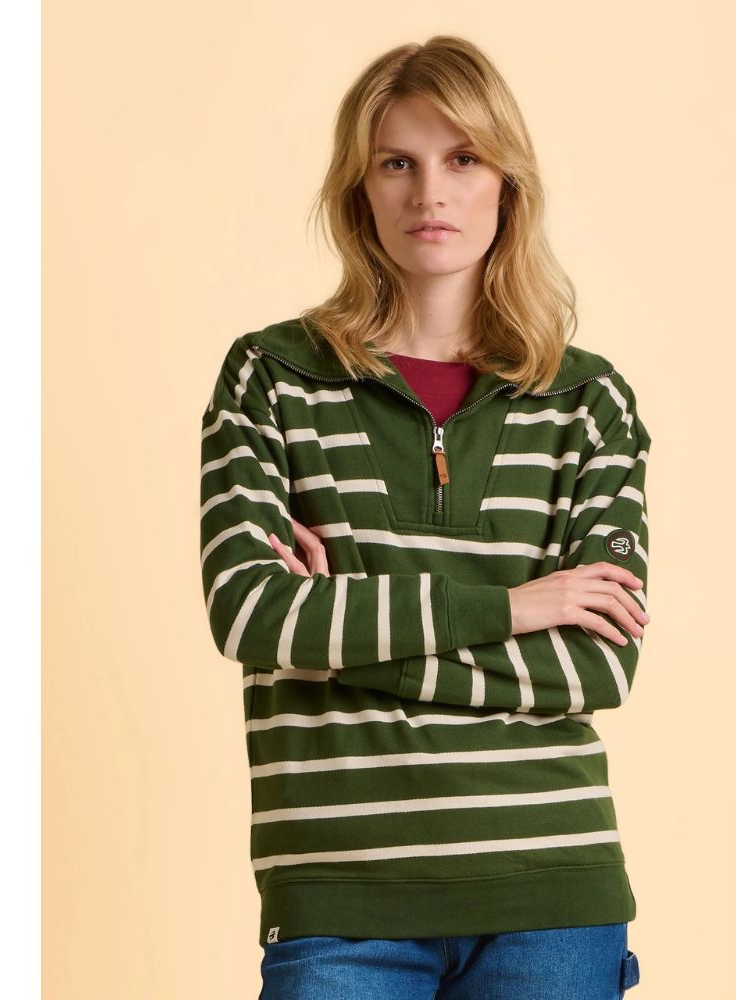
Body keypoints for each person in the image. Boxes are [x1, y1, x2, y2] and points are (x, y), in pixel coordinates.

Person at [199, 34, 649, 1000]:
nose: (430, 194)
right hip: (341, 897)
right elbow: (252, 615)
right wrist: (514, 607)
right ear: (358, 189)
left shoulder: (589, 404)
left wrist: (339, 639)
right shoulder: (271, 378)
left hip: (553, 893)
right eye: (396, 163)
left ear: (507, 184)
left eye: (463, 159)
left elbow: (598, 664)